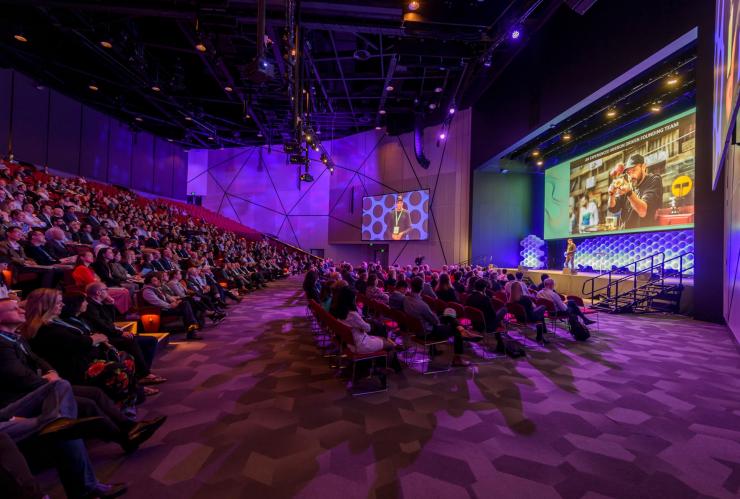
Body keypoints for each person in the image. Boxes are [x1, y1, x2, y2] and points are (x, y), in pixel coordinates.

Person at [0, 297, 129, 498]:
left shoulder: (15, 337)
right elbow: (20, 378)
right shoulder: (3, 344)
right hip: (10, 405)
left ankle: (58, 422)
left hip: (24, 398)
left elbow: (37, 360)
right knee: (63, 425)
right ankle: (86, 487)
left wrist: (50, 372)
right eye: (14, 309)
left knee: (61, 389)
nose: (21, 310)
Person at [22, 289, 140, 408]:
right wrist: (94, 339)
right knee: (118, 368)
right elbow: (80, 343)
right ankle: (122, 407)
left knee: (126, 357)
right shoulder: (45, 329)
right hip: (72, 369)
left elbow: (84, 338)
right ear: (47, 305)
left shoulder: (56, 322)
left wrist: (95, 340)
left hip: (82, 359)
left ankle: (129, 400)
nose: (62, 305)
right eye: (58, 303)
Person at [607, 153, 663, 229]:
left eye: (634, 170)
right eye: (629, 172)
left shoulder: (654, 180)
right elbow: (613, 208)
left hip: (644, 236)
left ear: (643, 167)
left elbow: (643, 211)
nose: (631, 175)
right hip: (625, 236)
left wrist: (629, 193)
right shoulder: (628, 184)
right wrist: (611, 194)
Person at [141, 272, 202, 340]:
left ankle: (193, 328)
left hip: (166, 308)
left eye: (158, 279)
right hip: (159, 311)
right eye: (155, 280)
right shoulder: (147, 291)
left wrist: (175, 301)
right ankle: (193, 329)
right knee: (186, 306)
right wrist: (170, 305)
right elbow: (157, 302)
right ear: (149, 281)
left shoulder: (157, 288)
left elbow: (167, 297)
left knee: (187, 302)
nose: (158, 281)